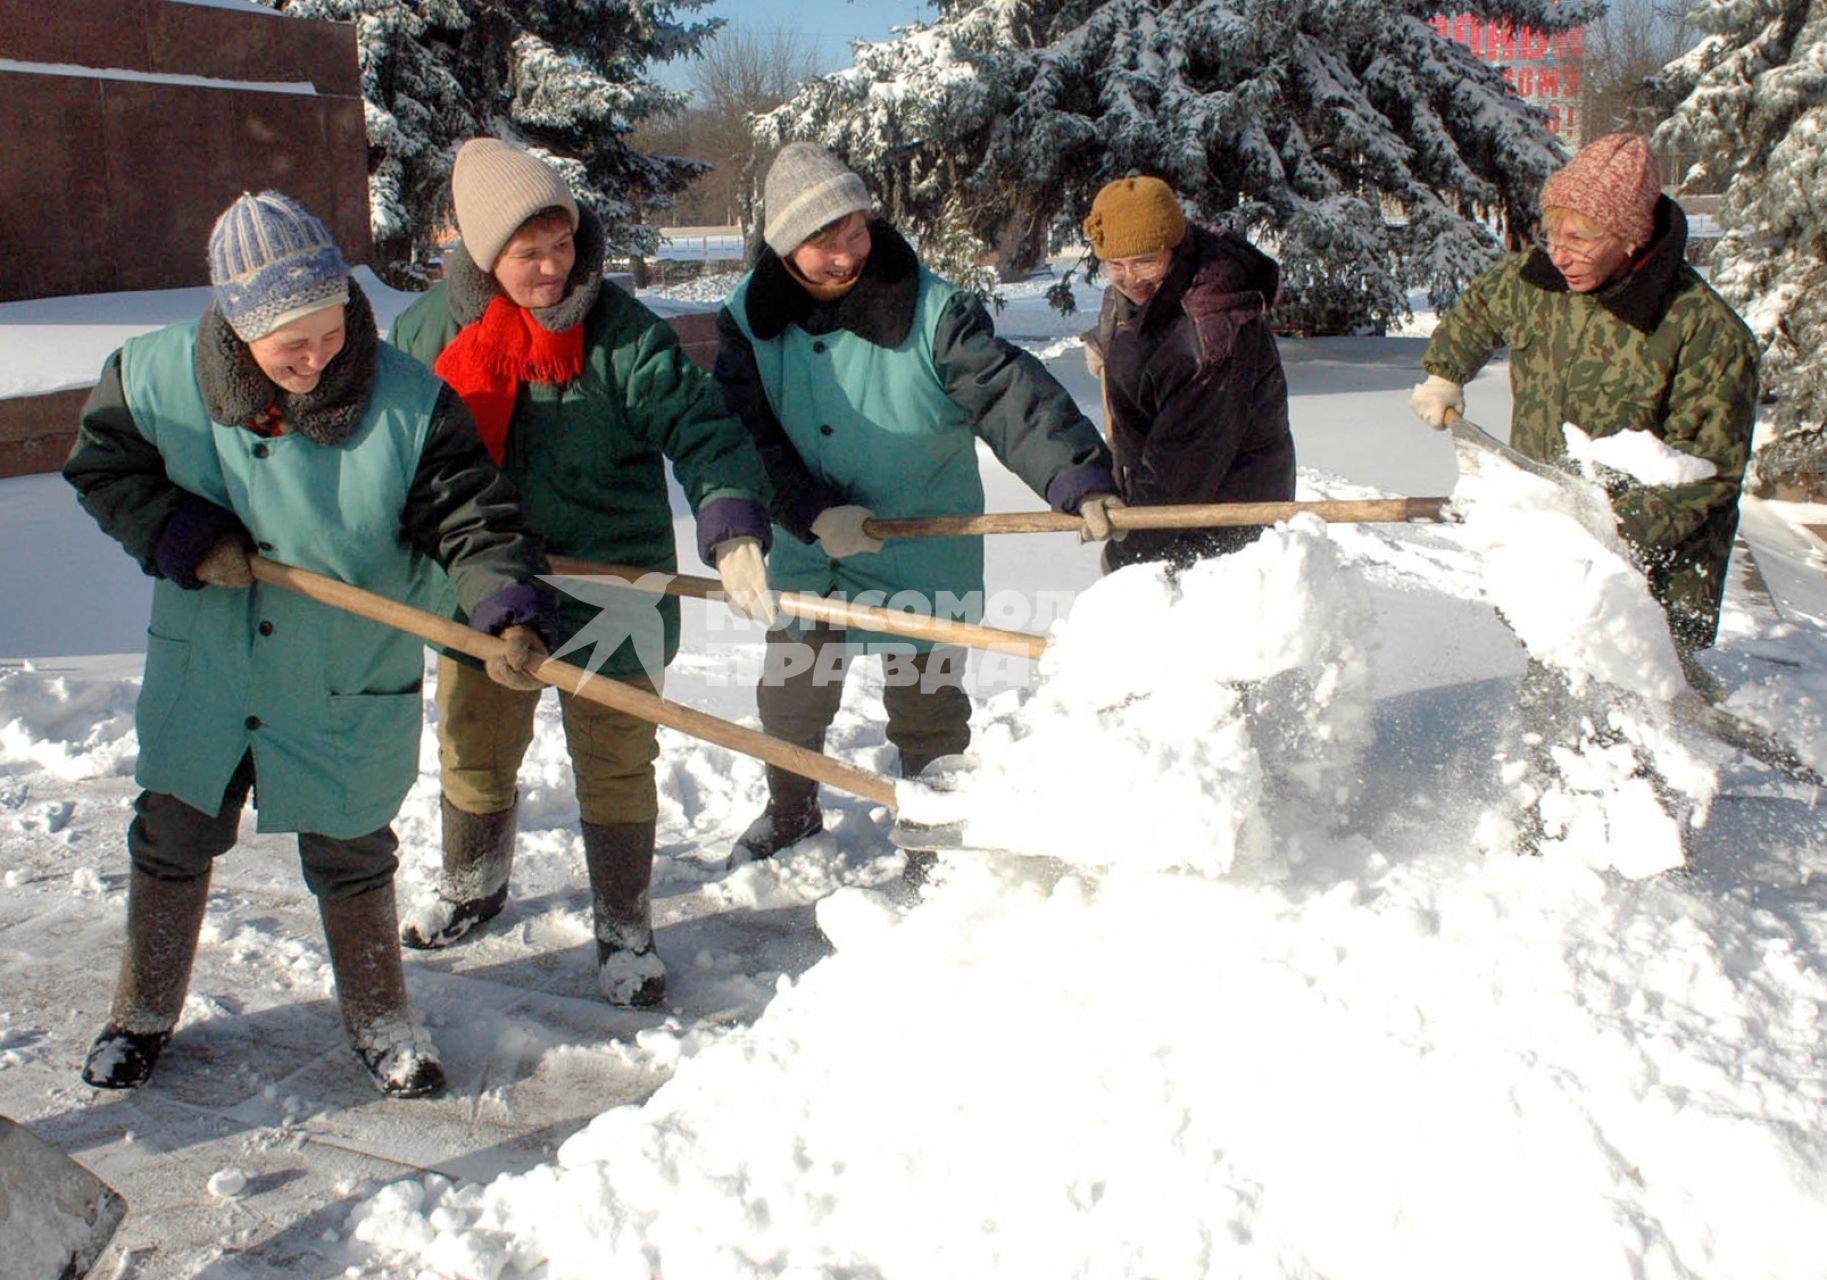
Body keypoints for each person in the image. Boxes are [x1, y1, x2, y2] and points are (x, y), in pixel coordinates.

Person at [64, 191, 553, 1098]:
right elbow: (104, 468)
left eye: (331, 334)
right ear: (235, 325)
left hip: (341, 672)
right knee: (171, 833)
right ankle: (138, 1013)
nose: (316, 358)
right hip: (211, 669)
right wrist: (183, 535)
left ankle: (381, 1020)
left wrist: (506, 608)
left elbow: (470, 515)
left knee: (353, 849)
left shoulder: (409, 403)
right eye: (290, 342)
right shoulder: (150, 377)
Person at [388, 139, 776, 1006]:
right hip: (481, 586)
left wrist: (732, 523)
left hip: (615, 582)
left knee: (615, 756)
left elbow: (702, 429)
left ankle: (625, 925)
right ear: (483, 253)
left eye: (562, 244)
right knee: (475, 744)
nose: (553, 267)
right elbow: (390, 459)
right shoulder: (425, 336)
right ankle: (473, 884)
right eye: (529, 252)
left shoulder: (620, 332)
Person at [714, 142, 1124, 864]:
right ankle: (791, 807)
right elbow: (745, 435)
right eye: (821, 242)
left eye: (854, 230)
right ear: (782, 247)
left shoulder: (931, 309)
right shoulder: (747, 319)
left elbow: (1005, 395)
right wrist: (806, 511)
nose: (846, 253)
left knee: (926, 702)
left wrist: (1078, 475)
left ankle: (934, 839)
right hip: (810, 545)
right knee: (791, 695)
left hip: (920, 542)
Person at [1411, 132, 1759, 688]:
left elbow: (1708, 471)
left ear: (1630, 237)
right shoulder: (1541, 280)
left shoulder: (1704, 330)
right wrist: (1444, 372)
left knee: (1645, 717)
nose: (1560, 252)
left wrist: (1600, 527)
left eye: (1581, 237)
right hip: (1552, 541)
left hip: (1651, 573)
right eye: (1552, 233)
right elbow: (1480, 308)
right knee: (1553, 677)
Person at [1082, 176, 1296, 571]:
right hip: (1166, 498)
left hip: (1221, 525)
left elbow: (1181, 470)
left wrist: (1128, 554)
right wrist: (1106, 344)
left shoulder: (1211, 337)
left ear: (1173, 247)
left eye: (1145, 261)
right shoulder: (1158, 275)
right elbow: (1128, 302)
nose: (1130, 279)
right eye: (1114, 265)